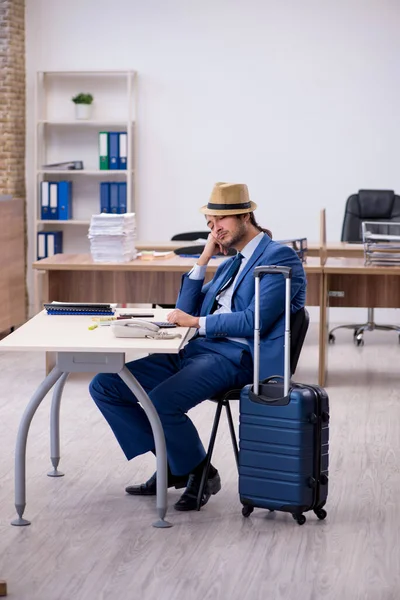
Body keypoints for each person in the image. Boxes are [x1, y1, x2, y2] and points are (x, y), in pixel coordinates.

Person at [89, 182, 306, 511]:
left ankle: (195, 470)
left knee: (161, 402)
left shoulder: (278, 257)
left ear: (246, 216)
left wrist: (197, 324)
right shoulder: (232, 262)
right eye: (210, 224)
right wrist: (204, 258)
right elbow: (187, 308)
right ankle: (181, 466)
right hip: (196, 351)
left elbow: (253, 321)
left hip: (236, 358)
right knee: (105, 385)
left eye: (221, 221)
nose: (215, 229)